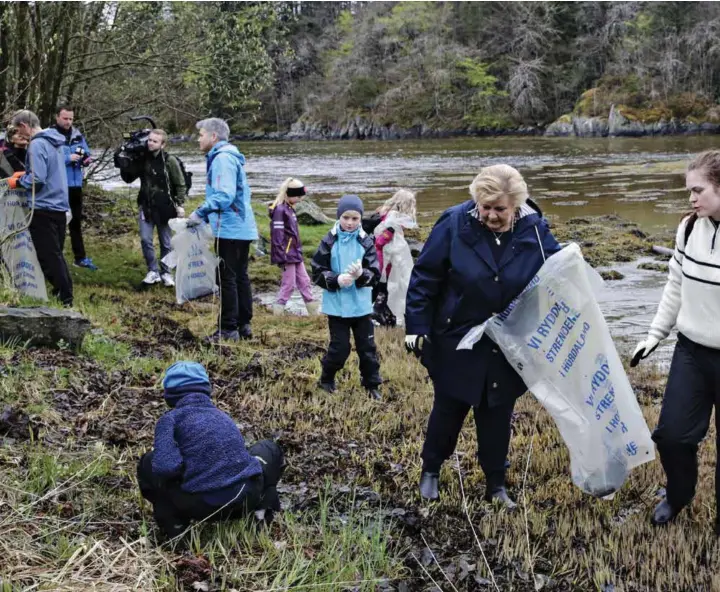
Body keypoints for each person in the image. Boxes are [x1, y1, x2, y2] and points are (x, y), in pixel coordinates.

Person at [405, 164, 561, 505]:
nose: (490, 215)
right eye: (484, 207)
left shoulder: (535, 230)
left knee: (497, 413)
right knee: (449, 407)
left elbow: (558, 273)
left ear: (516, 206)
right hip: (457, 336)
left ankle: (496, 483)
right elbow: (425, 277)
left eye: (499, 209)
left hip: (508, 341)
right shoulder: (453, 222)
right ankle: (431, 469)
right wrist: (416, 327)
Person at [632, 150, 720, 533]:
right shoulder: (687, 229)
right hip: (691, 351)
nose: (691, 198)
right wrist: (654, 335)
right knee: (670, 435)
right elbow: (675, 287)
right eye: (690, 191)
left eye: (698, 190)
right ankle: (679, 494)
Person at [137, 361, 285, 539]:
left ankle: (175, 530)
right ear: (206, 389)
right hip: (245, 497)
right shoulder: (222, 416)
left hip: (201, 506)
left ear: (168, 395)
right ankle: (262, 510)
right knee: (268, 448)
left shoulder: (169, 420)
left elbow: (165, 467)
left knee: (148, 462)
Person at [188, 118, 257, 342]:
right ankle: (243, 325)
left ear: (213, 137)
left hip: (231, 228)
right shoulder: (229, 156)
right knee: (239, 277)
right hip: (241, 227)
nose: (198, 139)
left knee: (227, 278)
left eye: (201, 134)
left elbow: (224, 195)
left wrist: (200, 212)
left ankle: (228, 328)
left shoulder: (222, 159)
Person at [311, 194, 383, 400]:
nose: (350, 223)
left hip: (361, 306)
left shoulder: (366, 241)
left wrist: (362, 276)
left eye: (355, 219)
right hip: (337, 307)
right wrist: (336, 279)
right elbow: (317, 271)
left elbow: (375, 273)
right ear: (338, 217)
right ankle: (326, 379)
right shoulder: (328, 240)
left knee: (367, 348)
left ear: (360, 219)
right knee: (339, 348)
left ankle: (372, 384)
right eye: (346, 218)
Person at [6, 110, 73, 306]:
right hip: (59, 205)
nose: (20, 134)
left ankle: (65, 297)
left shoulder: (36, 144)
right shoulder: (56, 142)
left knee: (48, 256)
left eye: (19, 129)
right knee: (56, 254)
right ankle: (62, 291)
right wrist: (24, 174)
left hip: (43, 207)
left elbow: (38, 179)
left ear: (25, 125)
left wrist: (16, 183)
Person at [119, 129, 186, 287]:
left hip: (165, 207)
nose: (150, 143)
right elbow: (128, 177)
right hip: (146, 205)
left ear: (163, 145)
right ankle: (152, 271)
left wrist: (180, 204)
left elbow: (180, 184)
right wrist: (123, 163)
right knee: (145, 239)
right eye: (149, 140)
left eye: (155, 141)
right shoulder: (143, 159)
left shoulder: (170, 161)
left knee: (166, 243)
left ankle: (166, 273)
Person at [54, 104, 96, 271]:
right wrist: (67, 158)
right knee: (59, 223)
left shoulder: (78, 135)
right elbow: (49, 158)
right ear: (57, 117)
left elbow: (86, 152)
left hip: (76, 185)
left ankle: (80, 258)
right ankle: (56, 258)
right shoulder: (49, 136)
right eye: (65, 118)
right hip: (58, 185)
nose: (68, 122)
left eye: (71, 119)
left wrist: (86, 159)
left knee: (76, 222)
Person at [269, 178, 319, 316]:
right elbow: (277, 235)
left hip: (295, 253)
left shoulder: (290, 209)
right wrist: (281, 255)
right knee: (289, 284)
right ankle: (278, 312)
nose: (300, 199)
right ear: (289, 194)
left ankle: (313, 312)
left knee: (305, 281)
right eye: (298, 196)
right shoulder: (280, 210)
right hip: (287, 255)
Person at [372, 189, 417, 327]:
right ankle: (381, 313)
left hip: (381, 259)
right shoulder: (393, 219)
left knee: (383, 288)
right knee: (390, 288)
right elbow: (383, 242)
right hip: (387, 262)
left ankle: (382, 313)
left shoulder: (385, 213)